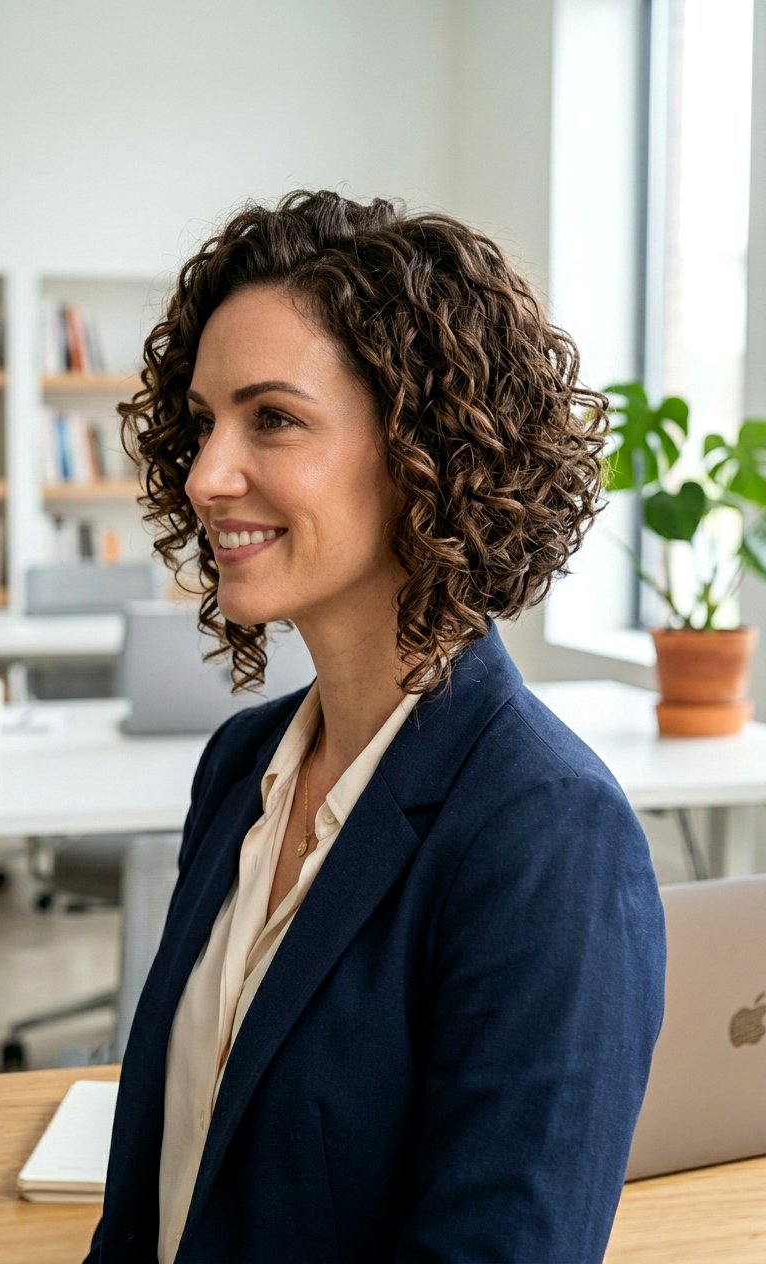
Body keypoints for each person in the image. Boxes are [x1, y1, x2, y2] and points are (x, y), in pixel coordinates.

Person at [84, 190, 665, 1264]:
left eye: (272, 417)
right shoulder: (239, 769)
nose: (208, 473)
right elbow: (153, 1192)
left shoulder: (545, 837)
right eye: (204, 420)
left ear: (420, 449)